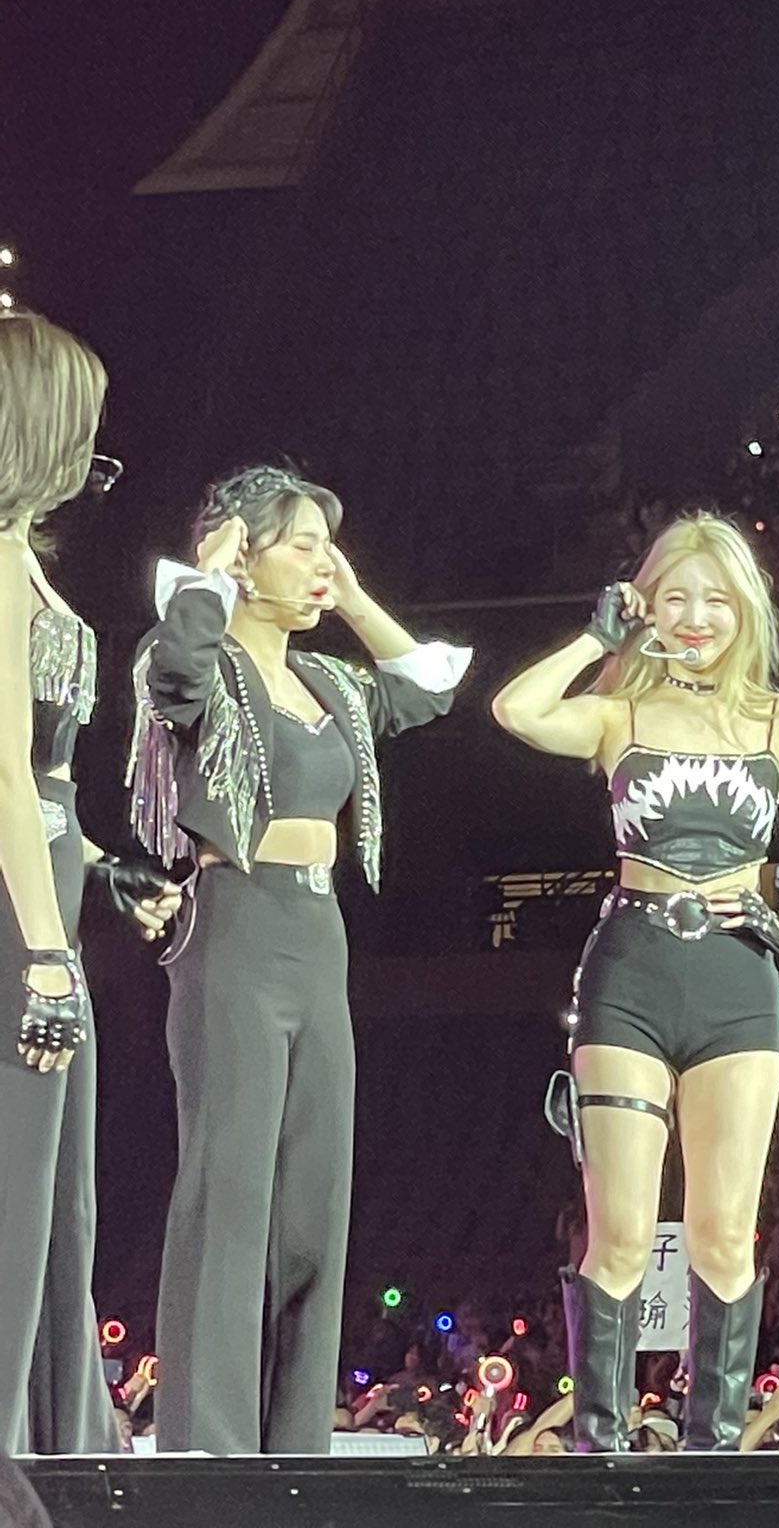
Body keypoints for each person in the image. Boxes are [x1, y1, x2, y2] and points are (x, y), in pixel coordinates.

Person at [492, 513, 779, 1454]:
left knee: (722, 1234)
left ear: (746, 609)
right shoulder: (620, 713)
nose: (696, 616)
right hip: (629, 977)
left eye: (716, 598)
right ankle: (601, 1451)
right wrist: (595, 642)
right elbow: (516, 710)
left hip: (736, 985)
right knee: (620, 1236)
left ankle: (712, 1453)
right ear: (645, 605)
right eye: (674, 597)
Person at [129, 465, 469, 1454]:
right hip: (235, 927)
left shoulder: (330, 683)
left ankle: (294, 1444)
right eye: (304, 544)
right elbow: (172, 679)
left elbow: (429, 689)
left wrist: (353, 598)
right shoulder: (203, 655)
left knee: (315, 1198)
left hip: (320, 937)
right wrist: (208, 577)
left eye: (331, 544)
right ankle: (211, 1443)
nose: (325, 562)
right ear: (244, 553)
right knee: (230, 1189)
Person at [0, 311, 177, 1456]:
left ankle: (57, 1439)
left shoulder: (24, 559)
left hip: (51, 889)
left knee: (60, 1194)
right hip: (21, 920)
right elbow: (6, 771)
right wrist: (45, 954)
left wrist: (100, 867)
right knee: (18, 1188)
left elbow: (47, 778)